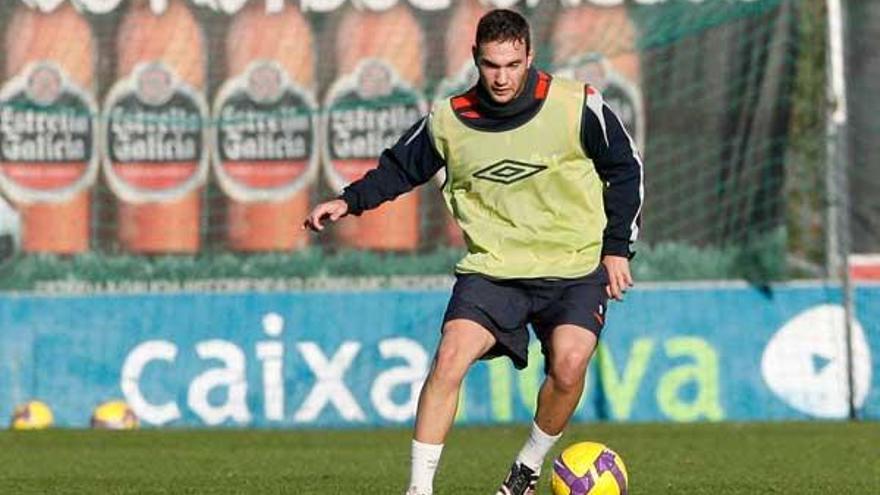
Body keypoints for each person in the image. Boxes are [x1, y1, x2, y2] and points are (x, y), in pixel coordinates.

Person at [303, 9, 643, 495]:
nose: (501, 77)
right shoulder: (450, 118)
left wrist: (617, 249)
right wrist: (347, 201)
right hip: (493, 270)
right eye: (490, 65)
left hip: (573, 265)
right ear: (475, 60)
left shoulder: (577, 104)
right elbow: (401, 168)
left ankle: (526, 467)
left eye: (511, 64)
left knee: (568, 367)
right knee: (449, 358)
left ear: (530, 57)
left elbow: (625, 168)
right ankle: (418, 490)